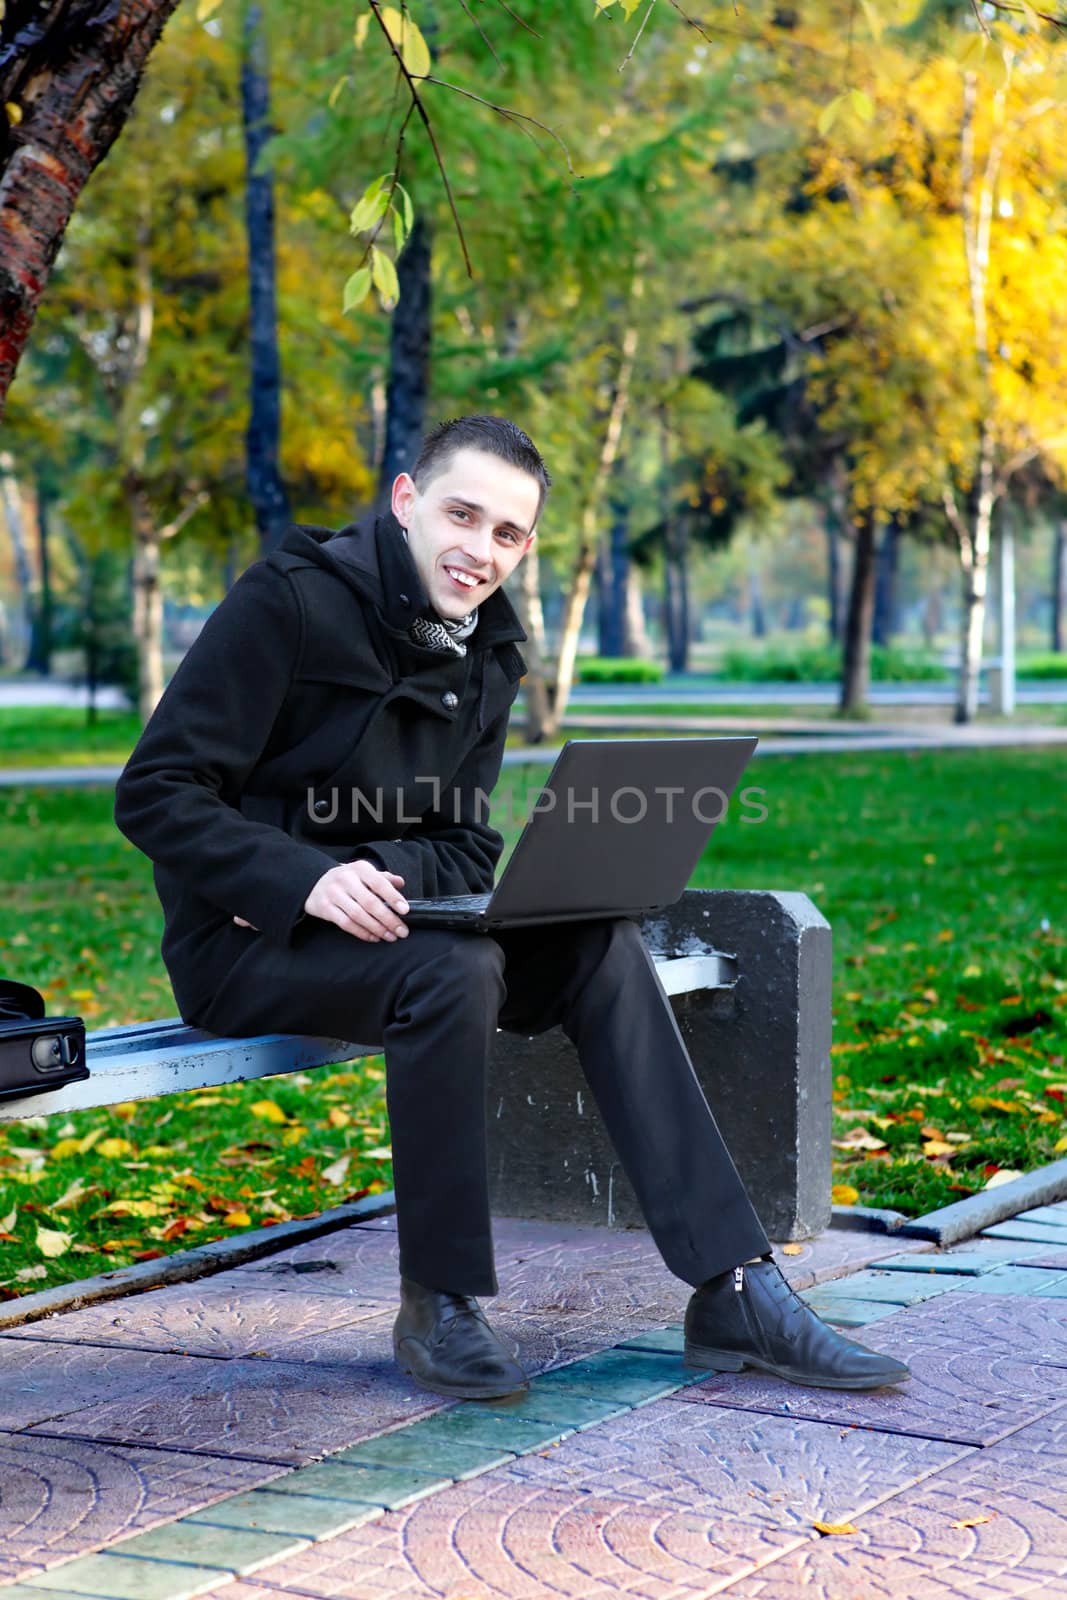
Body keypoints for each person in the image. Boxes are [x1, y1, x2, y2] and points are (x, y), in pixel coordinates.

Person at [113, 414, 909, 1401]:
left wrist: (371, 867)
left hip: (401, 927)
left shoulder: (489, 648)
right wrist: (300, 880)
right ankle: (438, 1302)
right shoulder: (287, 603)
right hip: (243, 943)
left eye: (506, 533)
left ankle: (732, 1284)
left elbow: (464, 841)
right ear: (404, 501)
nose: (478, 550)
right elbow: (154, 791)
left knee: (594, 938)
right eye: (460, 514)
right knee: (455, 966)